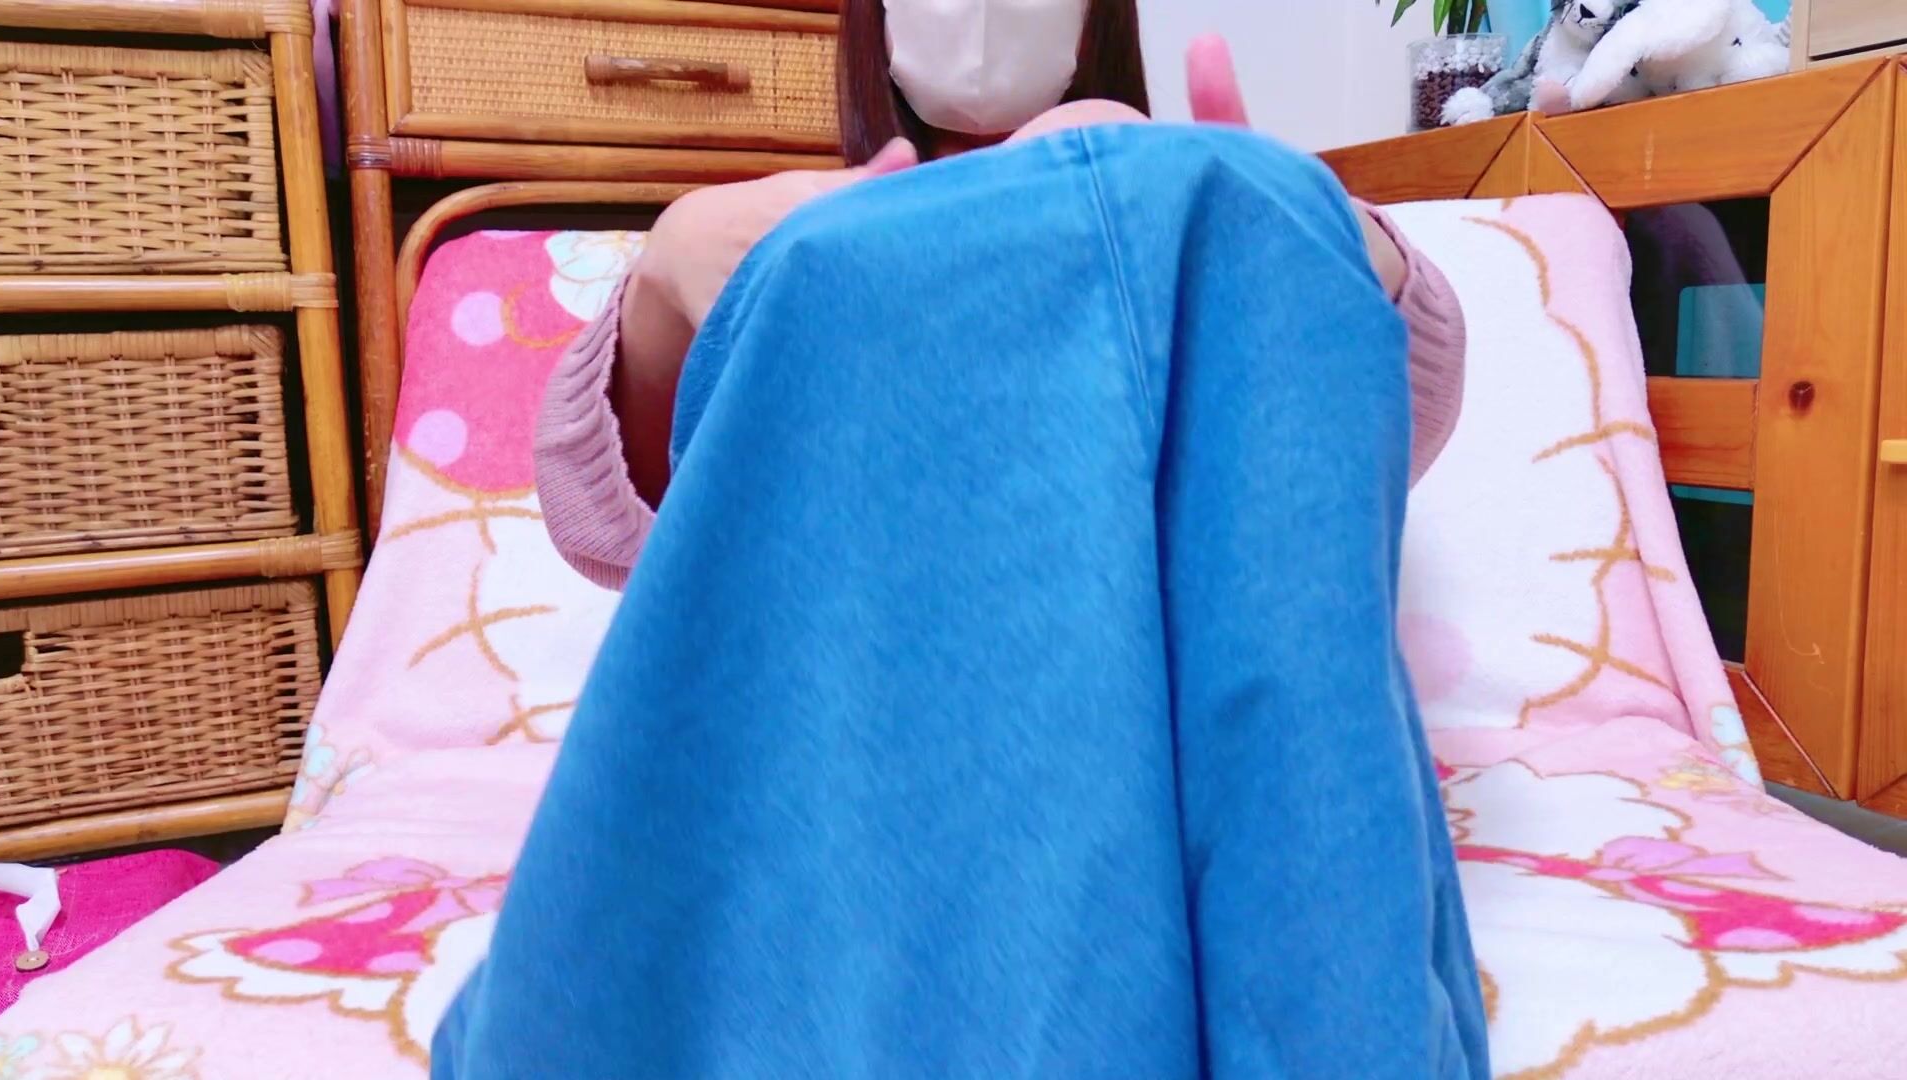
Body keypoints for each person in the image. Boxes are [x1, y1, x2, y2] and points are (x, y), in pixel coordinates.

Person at [433, 2, 1489, 1076]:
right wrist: (667, 288)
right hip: (866, 755)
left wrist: (1303, 252)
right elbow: (616, 523)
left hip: (1150, 753)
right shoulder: (810, 240)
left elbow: (1359, 453)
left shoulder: (1190, 206)